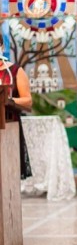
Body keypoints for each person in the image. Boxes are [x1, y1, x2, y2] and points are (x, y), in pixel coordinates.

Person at [0, 42, 32, 179]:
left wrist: (7, 100)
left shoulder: (14, 71)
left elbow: (28, 101)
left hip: (8, 126)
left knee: (6, 176)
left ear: (1, 46)